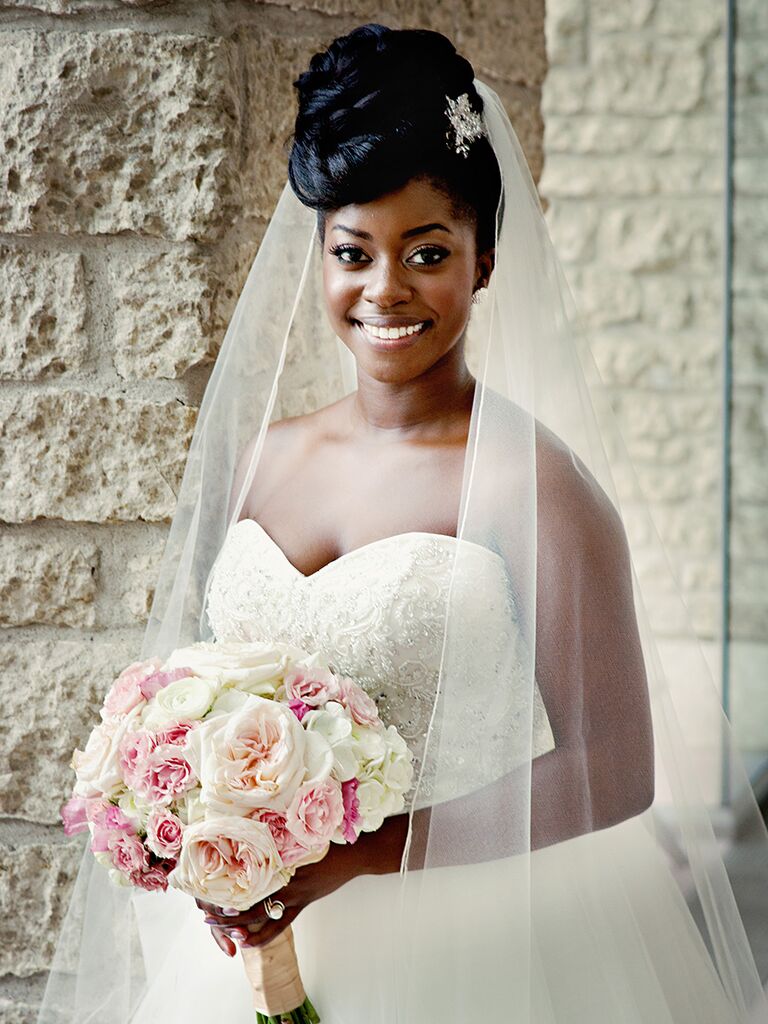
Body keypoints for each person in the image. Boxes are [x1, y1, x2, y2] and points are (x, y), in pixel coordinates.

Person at [37, 22, 768, 1024]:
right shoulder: (267, 458)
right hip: (264, 943)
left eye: (427, 252)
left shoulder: (535, 485)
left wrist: (366, 853)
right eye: (353, 253)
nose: (385, 289)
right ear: (322, 257)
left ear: (484, 260)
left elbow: (615, 766)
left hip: (484, 953)